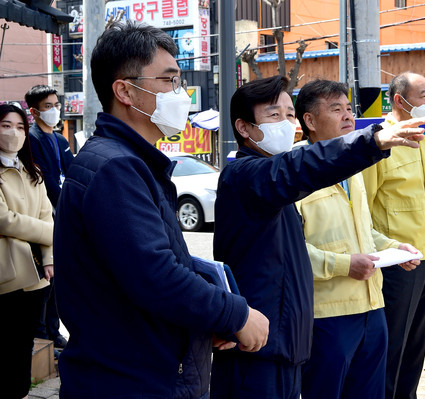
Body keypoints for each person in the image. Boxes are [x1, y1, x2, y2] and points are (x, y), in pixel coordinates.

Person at [53, 21, 268, 399]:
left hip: (142, 369)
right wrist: (235, 314)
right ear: (125, 91)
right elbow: (155, 275)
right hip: (133, 380)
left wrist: (205, 321)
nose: (179, 93)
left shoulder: (130, 161)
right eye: (169, 81)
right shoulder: (117, 167)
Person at [211, 74, 425, 399]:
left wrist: (393, 247)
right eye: (274, 115)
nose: (286, 124)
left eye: (288, 115)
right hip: (269, 337)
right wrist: (373, 140)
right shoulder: (250, 176)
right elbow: (302, 168)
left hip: (296, 336)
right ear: (244, 128)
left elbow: (311, 247)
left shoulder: (316, 176)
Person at [293, 79, 422, 399]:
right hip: (326, 316)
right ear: (309, 121)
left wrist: (394, 248)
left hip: (372, 308)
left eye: (349, 108)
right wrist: (343, 265)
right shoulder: (291, 175)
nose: (348, 116)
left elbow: (362, 232)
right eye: (336, 109)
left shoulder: (352, 169)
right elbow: (289, 253)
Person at [362, 72, 425, 399]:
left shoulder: (419, 138)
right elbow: (361, 209)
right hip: (397, 265)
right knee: (392, 350)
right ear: (400, 100)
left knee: (415, 349)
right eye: (423, 96)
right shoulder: (380, 142)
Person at [0, 103, 54, 399]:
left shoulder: (32, 171)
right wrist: (51, 233)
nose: (14, 133)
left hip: (36, 276)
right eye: (6, 125)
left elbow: (46, 214)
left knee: (23, 346)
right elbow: (3, 218)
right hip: (6, 276)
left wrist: (49, 258)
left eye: (20, 127)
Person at [25, 84, 74, 350]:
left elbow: (73, 174)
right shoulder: (31, 139)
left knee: (58, 281)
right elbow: (45, 182)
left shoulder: (61, 140)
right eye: (48, 107)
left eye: (56, 105)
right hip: (45, 218)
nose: (55, 111)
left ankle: (54, 332)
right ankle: (42, 334)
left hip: (62, 217)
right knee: (45, 279)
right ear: (34, 111)